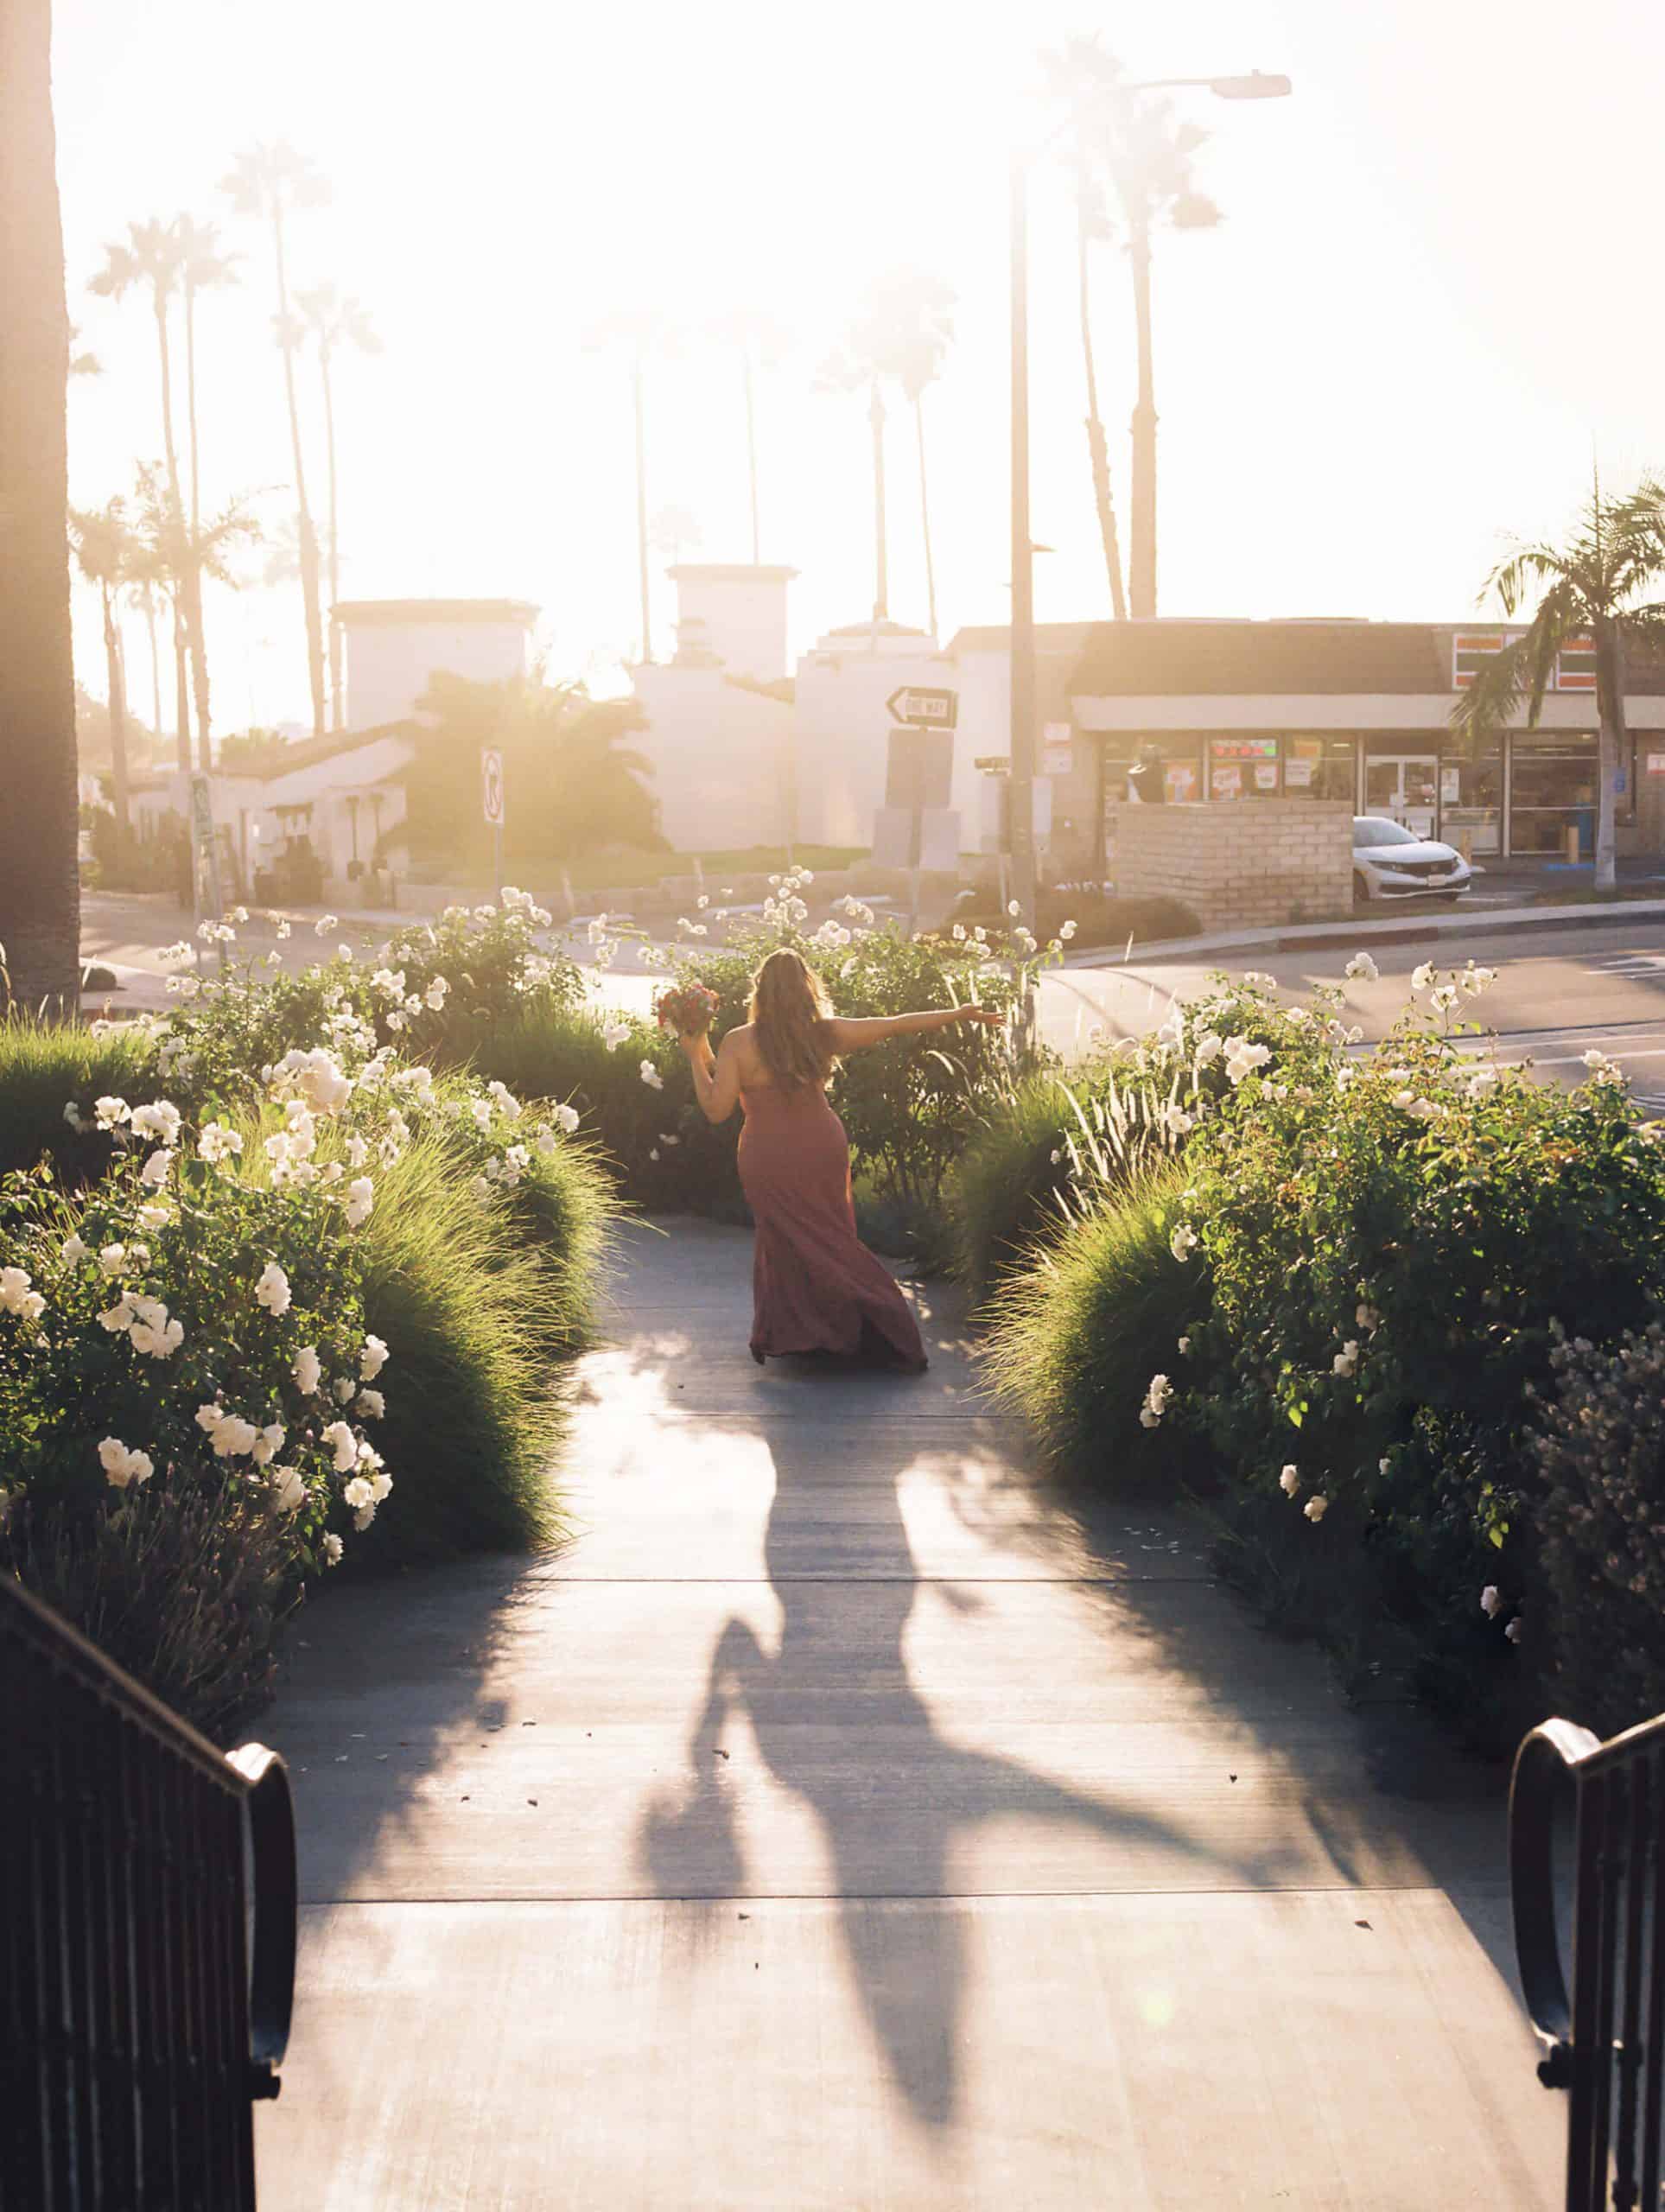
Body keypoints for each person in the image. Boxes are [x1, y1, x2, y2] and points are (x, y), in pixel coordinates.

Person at [677, 947, 1001, 1371]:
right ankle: (836, 1330)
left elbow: (716, 1109)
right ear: (806, 989)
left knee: (786, 1236)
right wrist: (957, 1013)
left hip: (767, 1152)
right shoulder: (823, 1033)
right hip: (821, 1144)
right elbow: (894, 1026)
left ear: (760, 991)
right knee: (831, 1235)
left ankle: (818, 1333)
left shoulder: (739, 1041)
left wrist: (694, 1055)